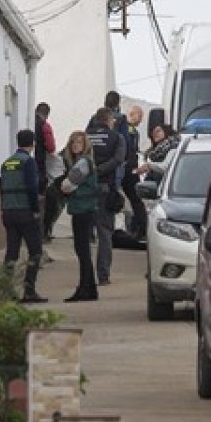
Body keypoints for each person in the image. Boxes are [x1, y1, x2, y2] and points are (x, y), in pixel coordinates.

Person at [0, 130, 47, 304]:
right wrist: (36, 210)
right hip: (25, 212)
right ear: (32, 144)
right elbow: (32, 188)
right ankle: (29, 290)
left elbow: (1, 188)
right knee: (35, 251)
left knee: (11, 252)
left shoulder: (6, 163)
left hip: (9, 212)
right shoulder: (28, 162)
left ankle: (4, 290)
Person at [85, 107, 126, 287]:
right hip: (104, 188)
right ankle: (103, 275)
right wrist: (100, 170)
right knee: (104, 232)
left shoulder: (85, 136)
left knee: (83, 234)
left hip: (84, 189)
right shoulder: (117, 137)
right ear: (109, 120)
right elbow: (119, 159)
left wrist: (88, 172)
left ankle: (85, 276)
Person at [60, 131, 99, 302]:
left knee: (82, 250)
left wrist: (64, 185)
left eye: (79, 142)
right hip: (85, 209)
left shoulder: (82, 163)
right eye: (73, 142)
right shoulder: (85, 162)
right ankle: (89, 288)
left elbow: (68, 184)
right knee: (83, 250)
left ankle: (84, 289)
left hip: (82, 210)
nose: (76, 145)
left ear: (85, 145)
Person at [34, 103, 64, 241]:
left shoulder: (28, 120)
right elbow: (51, 147)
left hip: (28, 166)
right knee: (44, 203)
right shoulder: (44, 126)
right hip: (39, 168)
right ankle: (42, 234)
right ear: (47, 114)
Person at [120, 105, 148, 238]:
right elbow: (129, 151)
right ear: (133, 114)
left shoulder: (129, 129)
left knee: (135, 200)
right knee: (136, 200)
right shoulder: (129, 130)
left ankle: (138, 227)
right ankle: (141, 228)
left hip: (127, 169)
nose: (141, 120)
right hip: (128, 170)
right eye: (140, 116)